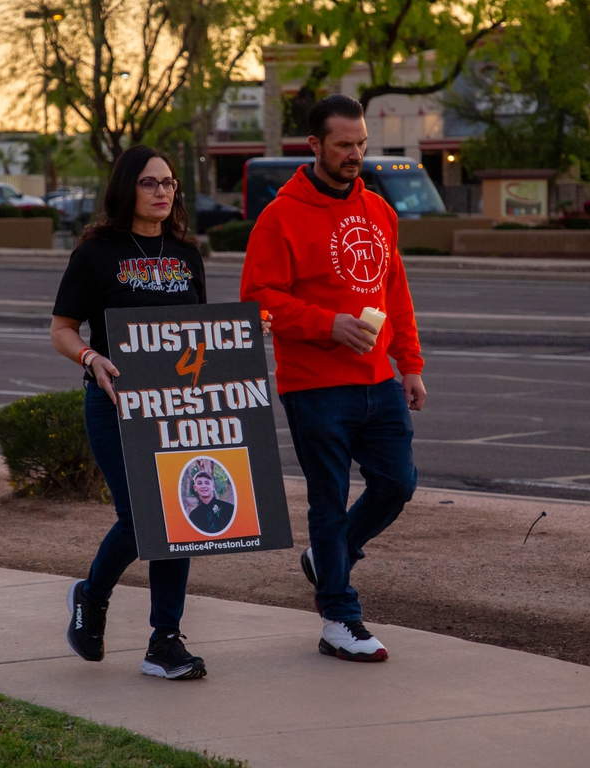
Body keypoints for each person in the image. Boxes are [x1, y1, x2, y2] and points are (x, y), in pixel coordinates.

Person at [239, 95, 427, 663]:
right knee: (328, 500)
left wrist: (410, 365)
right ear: (314, 146)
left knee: (398, 483)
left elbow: (396, 293)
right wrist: (327, 325)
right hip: (315, 385)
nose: (355, 154)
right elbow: (258, 301)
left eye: (361, 143)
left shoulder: (379, 211)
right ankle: (338, 619)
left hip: (378, 383)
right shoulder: (281, 215)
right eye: (344, 144)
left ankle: (330, 556)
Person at [50, 145, 209, 680]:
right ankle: (92, 597)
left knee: (179, 518)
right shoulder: (96, 252)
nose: (163, 192)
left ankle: (165, 641)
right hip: (114, 403)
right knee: (143, 517)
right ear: (126, 189)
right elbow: (62, 329)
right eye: (150, 183)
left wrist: (240, 343)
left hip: (176, 406)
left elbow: (198, 335)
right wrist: (91, 357)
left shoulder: (187, 254)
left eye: (169, 183)